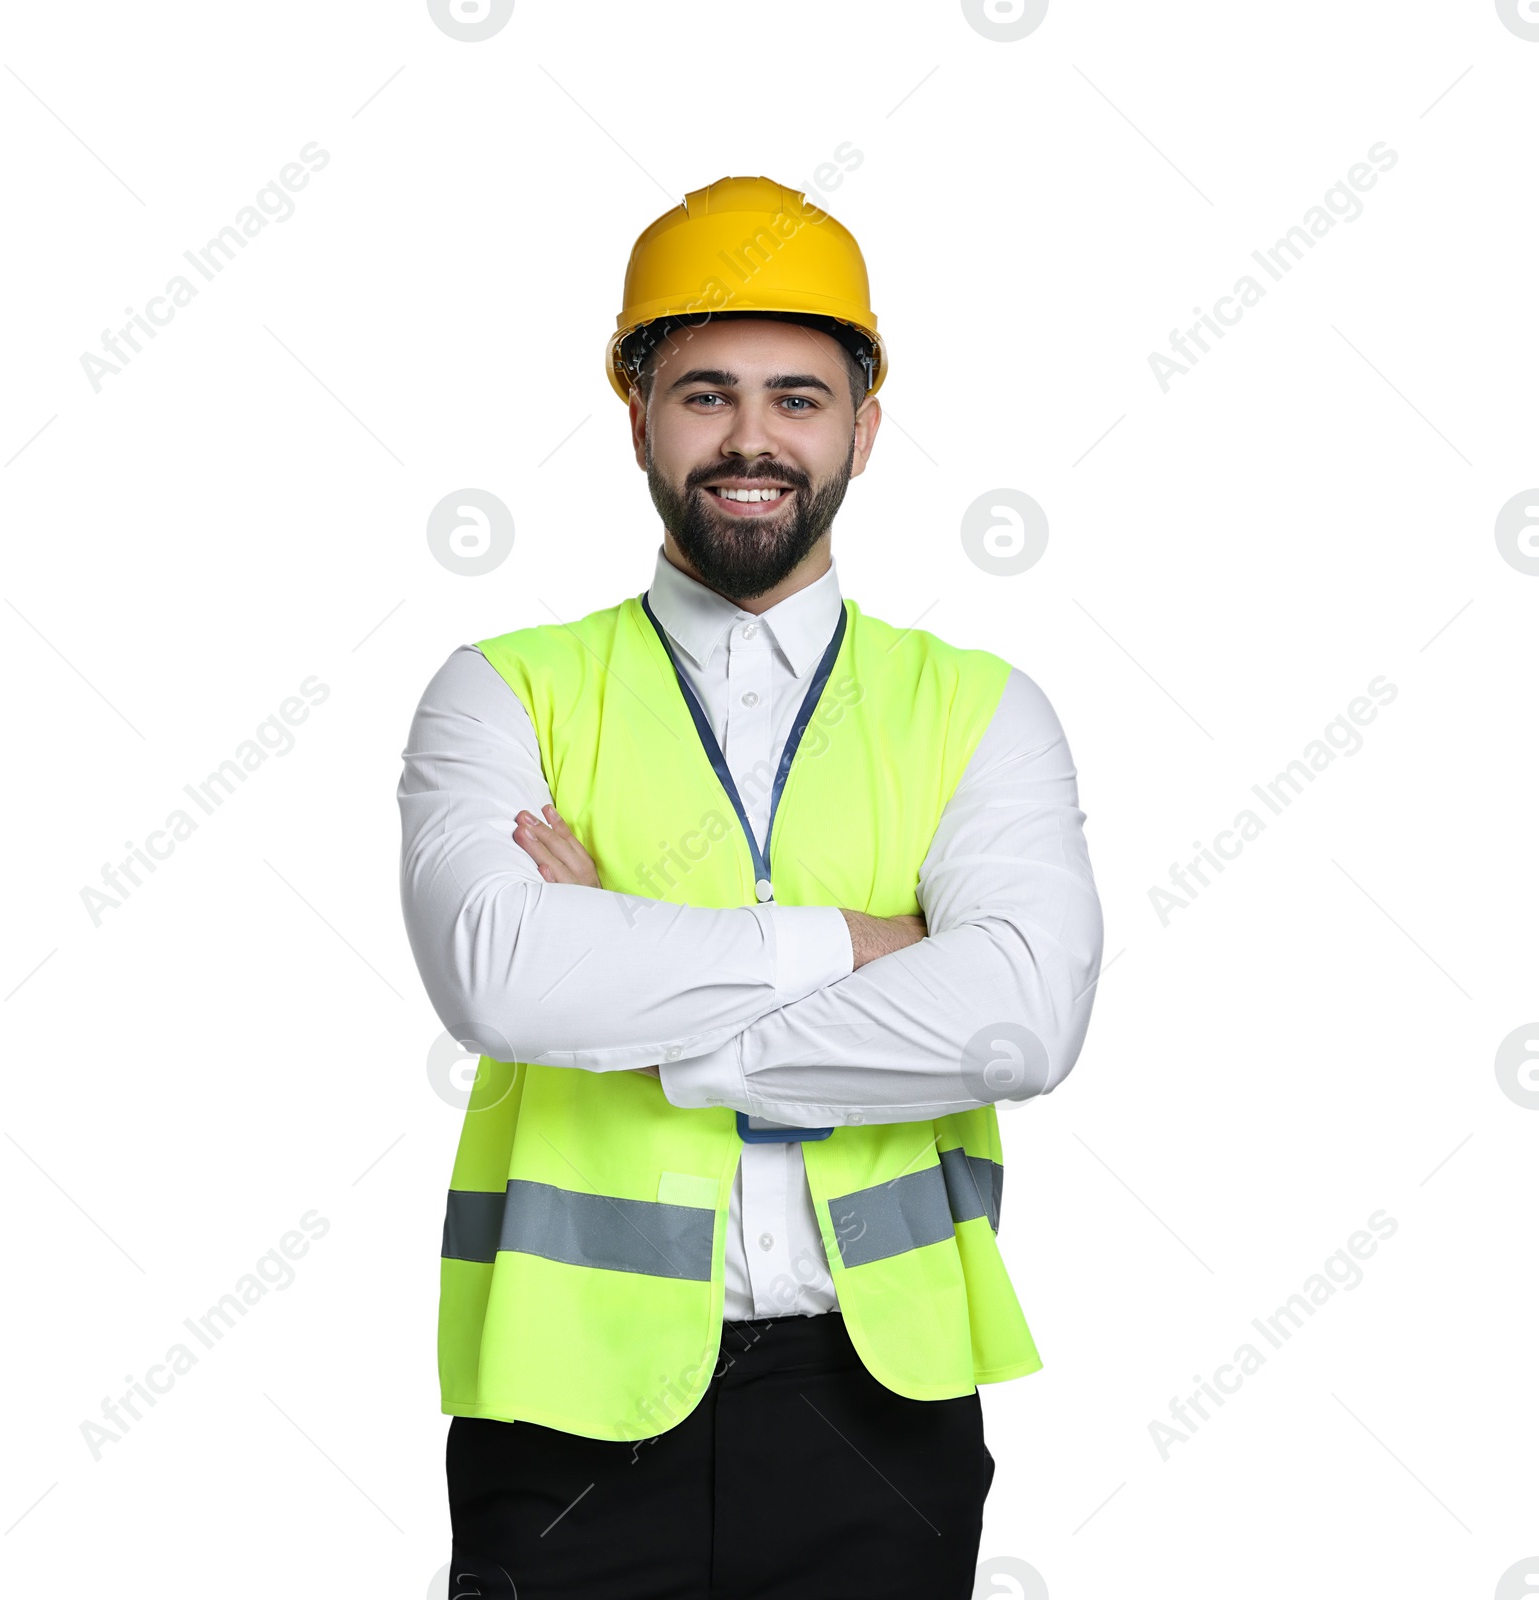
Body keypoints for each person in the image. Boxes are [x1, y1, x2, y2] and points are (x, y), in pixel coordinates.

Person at [397, 174, 1104, 1600]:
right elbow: (503, 979)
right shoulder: (504, 693)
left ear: (864, 427)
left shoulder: (977, 709)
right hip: (565, 1421)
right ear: (640, 417)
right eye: (706, 394)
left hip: (880, 1411)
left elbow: (1018, 1022)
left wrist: (633, 1005)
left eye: (797, 397)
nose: (751, 439)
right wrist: (875, 943)